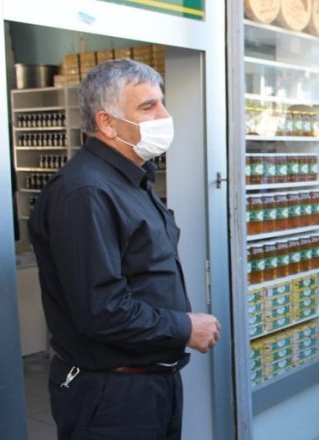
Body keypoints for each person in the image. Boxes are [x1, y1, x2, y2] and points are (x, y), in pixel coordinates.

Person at [29, 59, 221, 438]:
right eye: (148, 106)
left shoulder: (131, 180)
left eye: (162, 103)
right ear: (107, 122)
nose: (164, 115)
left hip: (150, 383)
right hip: (112, 396)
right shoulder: (86, 193)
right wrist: (184, 326)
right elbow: (102, 311)